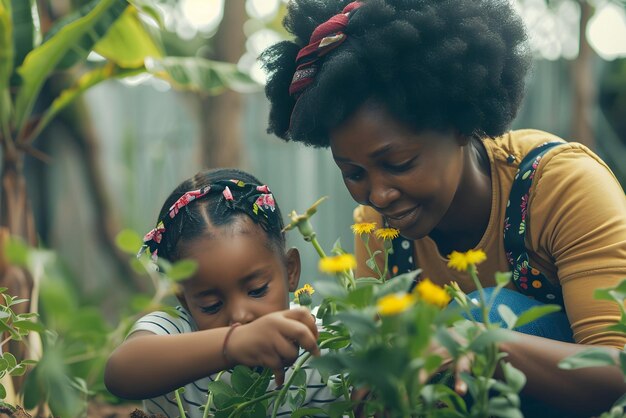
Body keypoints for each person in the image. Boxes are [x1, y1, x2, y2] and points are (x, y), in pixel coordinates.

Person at [260, 0, 626, 416]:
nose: (378, 196)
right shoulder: (382, 232)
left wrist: (481, 342)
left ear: (459, 124)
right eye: (354, 173)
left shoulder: (559, 186)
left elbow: (617, 372)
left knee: (482, 316)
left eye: (398, 164)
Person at [105, 168, 343, 417]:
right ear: (185, 300)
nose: (239, 315)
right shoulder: (174, 331)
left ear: (290, 271)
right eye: (211, 305)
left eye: (257, 290)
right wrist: (232, 344)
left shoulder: (323, 341)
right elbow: (120, 372)